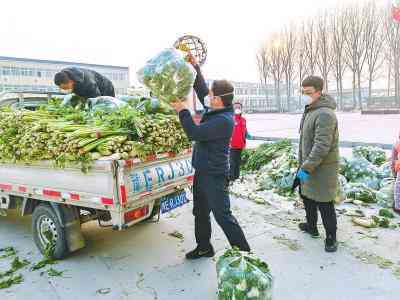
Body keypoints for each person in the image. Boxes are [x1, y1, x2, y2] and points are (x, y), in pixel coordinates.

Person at [170, 57, 251, 260]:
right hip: (202, 171)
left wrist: (182, 111)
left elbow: (194, 133)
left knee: (223, 216)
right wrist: (195, 66)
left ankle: (246, 255)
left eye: (212, 95)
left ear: (219, 99)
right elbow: (201, 89)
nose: (208, 96)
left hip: (214, 175)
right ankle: (204, 247)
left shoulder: (223, 120)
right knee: (200, 212)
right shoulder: (217, 108)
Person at [296, 75, 339, 253]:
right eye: (303, 92)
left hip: (322, 168)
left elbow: (321, 146)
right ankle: (311, 226)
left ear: (319, 92)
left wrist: (306, 168)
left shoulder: (325, 114)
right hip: (308, 163)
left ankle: (331, 237)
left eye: (308, 92)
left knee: (324, 202)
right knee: (307, 196)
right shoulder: (311, 109)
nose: (305, 95)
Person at [229, 102, 252, 181]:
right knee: (232, 163)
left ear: (241, 109)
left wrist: (247, 134)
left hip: (241, 145)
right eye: (236, 107)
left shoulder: (243, 120)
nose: (237, 109)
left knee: (238, 162)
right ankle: (231, 178)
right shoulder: (230, 119)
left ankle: (236, 177)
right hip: (231, 145)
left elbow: (244, 130)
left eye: (239, 107)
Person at [391, 134, 400, 214]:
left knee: (398, 189)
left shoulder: (397, 144)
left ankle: (397, 207)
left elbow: (393, 161)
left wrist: (394, 173)